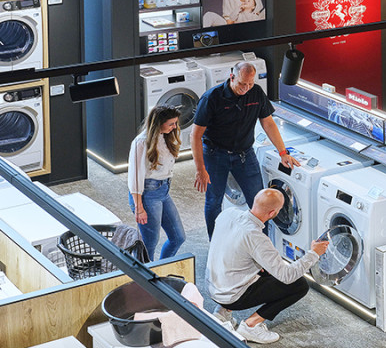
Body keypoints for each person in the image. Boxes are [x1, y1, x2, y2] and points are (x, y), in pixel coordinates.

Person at [191, 59, 300, 238]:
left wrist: (283, 152)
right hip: (215, 155)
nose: (246, 88)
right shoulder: (212, 97)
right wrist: (200, 169)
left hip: (245, 155)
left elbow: (268, 123)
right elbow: (195, 135)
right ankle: (216, 244)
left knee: (260, 201)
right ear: (232, 77)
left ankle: (260, 244)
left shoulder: (256, 93)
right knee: (213, 201)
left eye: (250, 83)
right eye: (242, 84)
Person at [206, 187, 329, 344]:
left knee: (265, 267)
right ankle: (251, 326)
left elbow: (233, 249)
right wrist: (314, 253)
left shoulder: (228, 213)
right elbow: (287, 276)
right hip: (231, 297)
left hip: (212, 286)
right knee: (299, 285)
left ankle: (223, 312)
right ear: (272, 213)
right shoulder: (257, 238)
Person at [127, 105, 186, 261]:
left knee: (178, 237)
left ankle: (160, 267)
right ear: (159, 123)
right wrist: (139, 207)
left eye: (175, 123)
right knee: (149, 244)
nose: (175, 127)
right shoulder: (141, 143)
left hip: (164, 190)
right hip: (147, 194)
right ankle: (146, 273)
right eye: (171, 124)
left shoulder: (166, 136)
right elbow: (134, 177)